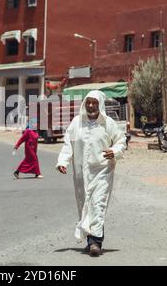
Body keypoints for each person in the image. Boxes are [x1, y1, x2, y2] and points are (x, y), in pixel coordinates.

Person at [56, 90, 127, 257]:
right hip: (81, 173)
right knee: (84, 205)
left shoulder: (108, 123)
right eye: (88, 102)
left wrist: (115, 151)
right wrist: (62, 161)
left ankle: (95, 242)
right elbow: (68, 143)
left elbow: (120, 141)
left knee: (97, 203)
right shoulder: (76, 123)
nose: (90, 106)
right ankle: (90, 238)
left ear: (100, 104)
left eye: (94, 103)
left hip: (102, 171)